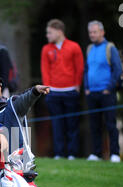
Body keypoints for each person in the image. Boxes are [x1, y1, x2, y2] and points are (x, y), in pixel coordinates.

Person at [41, 19, 84, 160]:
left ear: (59, 32)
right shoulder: (46, 49)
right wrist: (47, 87)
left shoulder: (74, 47)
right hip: (53, 92)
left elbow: (79, 68)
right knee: (56, 124)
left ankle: (72, 154)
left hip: (70, 91)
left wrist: (77, 85)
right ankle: (59, 153)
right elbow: (45, 70)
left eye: (50, 32)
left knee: (72, 124)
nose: (47, 35)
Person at [84, 20, 123, 163]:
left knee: (111, 124)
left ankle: (115, 154)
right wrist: (87, 88)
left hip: (107, 93)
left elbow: (117, 70)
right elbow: (86, 70)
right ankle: (96, 153)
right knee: (94, 125)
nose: (92, 35)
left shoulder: (110, 47)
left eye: (95, 32)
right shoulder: (89, 49)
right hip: (92, 93)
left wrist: (109, 88)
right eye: (90, 32)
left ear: (102, 32)